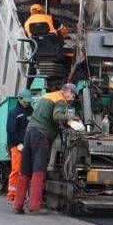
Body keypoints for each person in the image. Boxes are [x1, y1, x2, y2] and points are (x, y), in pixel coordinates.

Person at [13, 83, 78, 215]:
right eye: (73, 94)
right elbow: (57, 116)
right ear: (68, 91)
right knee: (38, 170)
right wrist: (70, 122)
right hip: (41, 136)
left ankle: (17, 205)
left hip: (29, 133)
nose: (73, 98)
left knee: (25, 170)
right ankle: (34, 206)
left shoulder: (47, 96)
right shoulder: (61, 100)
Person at [5, 89, 33, 201]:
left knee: (26, 171)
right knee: (16, 170)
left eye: (28, 101)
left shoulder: (31, 111)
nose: (27, 103)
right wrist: (17, 144)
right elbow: (10, 130)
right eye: (25, 101)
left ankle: (23, 194)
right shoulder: (14, 112)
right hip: (17, 146)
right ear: (19, 99)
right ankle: (12, 194)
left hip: (28, 145)